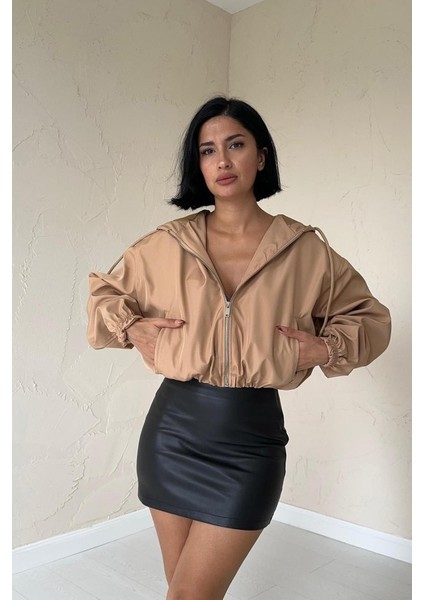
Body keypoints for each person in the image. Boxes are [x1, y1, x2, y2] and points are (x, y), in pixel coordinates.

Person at [87, 96, 391, 600]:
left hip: (251, 442)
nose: (222, 161)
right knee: (184, 592)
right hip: (172, 433)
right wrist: (132, 327)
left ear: (261, 156)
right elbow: (104, 296)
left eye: (236, 145)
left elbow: (370, 318)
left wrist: (325, 350)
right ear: (198, 165)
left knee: (191, 594)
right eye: (207, 151)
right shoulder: (168, 242)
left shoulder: (303, 249)